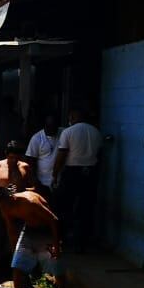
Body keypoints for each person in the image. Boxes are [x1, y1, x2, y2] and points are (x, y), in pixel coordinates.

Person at [0, 187, 65, 288]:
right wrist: (15, 250)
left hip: (46, 231)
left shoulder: (30, 201)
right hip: (28, 231)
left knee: (56, 268)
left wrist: (56, 245)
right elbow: (11, 228)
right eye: (1, 207)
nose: (4, 208)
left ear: (11, 198)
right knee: (17, 267)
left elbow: (53, 220)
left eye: (5, 205)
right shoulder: (5, 207)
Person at [0, 141, 33, 288]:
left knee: (20, 243)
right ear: (6, 155)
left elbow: (33, 186)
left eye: (16, 158)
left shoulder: (25, 167)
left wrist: (21, 193)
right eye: (11, 157)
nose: (13, 160)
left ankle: (23, 277)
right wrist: (0, 194)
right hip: (0, 209)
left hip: (18, 210)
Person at [53, 107, 102, 251]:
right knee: (86, 207)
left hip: (72, 171)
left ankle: (62, 239)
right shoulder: (96, 132)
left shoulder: (68, 132)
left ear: (73, 117)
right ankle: (81, 243)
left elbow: (61, 155)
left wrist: (55, 174)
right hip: (90, 172)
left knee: (64, 206)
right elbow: (100, 155)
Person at [25, 114, 59, 195]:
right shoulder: (37, 138)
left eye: (54, 126)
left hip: (58, 181)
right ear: (44, 126)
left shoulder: (63, 133)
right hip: (42, 182)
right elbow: (30, 161)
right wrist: (35, 181)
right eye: (49, 126)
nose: (51, 129)